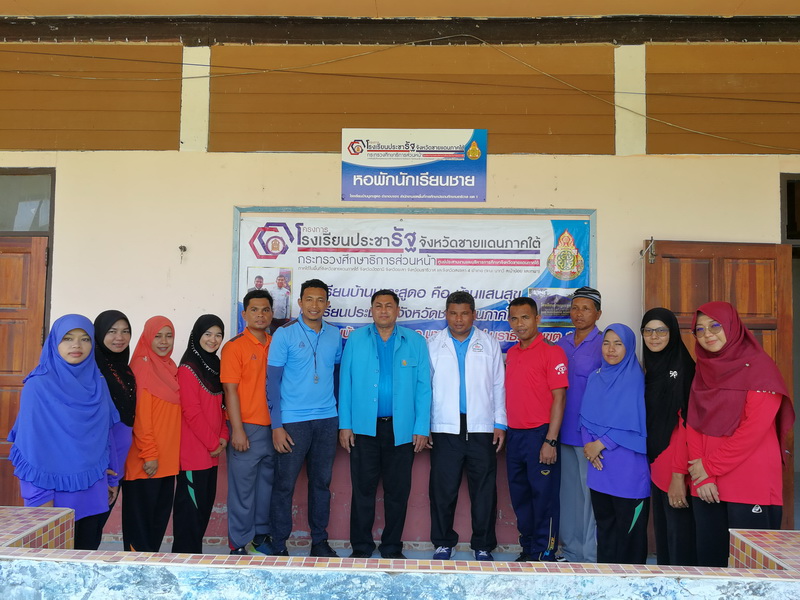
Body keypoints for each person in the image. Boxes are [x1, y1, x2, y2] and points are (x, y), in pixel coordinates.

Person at [686, 301, 794, 567]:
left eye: (715, 325)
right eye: (700, 329)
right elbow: (694, 422)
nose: (707, 334)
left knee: (752, 569)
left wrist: (708, 467)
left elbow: (752, 431)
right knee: (710, 565)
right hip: (707, 485)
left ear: (732, 326)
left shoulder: (760, 368)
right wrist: (704, 476)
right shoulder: (704, 369)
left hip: (749, 484)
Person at [9, 314, 120, 550]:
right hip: (53, 496)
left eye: (85, 339)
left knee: (86, 558)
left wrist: (112, 477)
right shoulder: (38, 386)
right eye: (68, 338)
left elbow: (106, 433)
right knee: (52, 563)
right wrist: (40, 498)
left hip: (94, 488)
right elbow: (31, 447)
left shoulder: (97, 382)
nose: (76, 345)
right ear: (54, 342)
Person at [338, 289, 432, 559]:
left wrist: (421, 427)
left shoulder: (415, 341)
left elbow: (424, 388)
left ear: (398, 310)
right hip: (363, 428)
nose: (383, 310)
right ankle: (361, 547)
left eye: (389, 306)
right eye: (378, 305)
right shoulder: (356, 339)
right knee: (363, 491)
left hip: (401, 430)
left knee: (397, 492)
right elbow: (345, 384)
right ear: (371, 310)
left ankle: (392, 547)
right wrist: (345, 425)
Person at [427, 291, 506, 561]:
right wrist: (425, 425)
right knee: (442, 489)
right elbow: (425, 388)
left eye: (464, 313)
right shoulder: (433, 344)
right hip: (444, 427)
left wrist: (499, 423)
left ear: (474, 314)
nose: (458, 319)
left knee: (484, 490)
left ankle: (483, 545)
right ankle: (442, 542)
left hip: (481, 427)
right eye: (453, 313)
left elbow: (498, 385)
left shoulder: (489, 343)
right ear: (446, 315)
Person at [268, 278, 342, 557]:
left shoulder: (334, 334)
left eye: (320, 300)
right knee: (284, 485)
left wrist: (338, 416)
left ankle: (319, 542)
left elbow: (336, 377)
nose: (314, 305)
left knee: (321, 484)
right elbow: (272, 383)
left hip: (327, 420)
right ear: (299, 302)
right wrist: (277, 426)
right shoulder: (284, 334)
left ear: (327, 303)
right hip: (292, 422)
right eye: (309, 299)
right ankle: (279, 544)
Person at [505, 297, 568, 562]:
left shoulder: (552, 352)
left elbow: (559, 398)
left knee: (544, 498)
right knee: (520, 497)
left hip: (541, 435)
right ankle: (529, 548)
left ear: (537, 319)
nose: (519, 324)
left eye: (525, 317)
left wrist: (550, 441)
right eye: (514, 319)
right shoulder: (512, 353)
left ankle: (545, 552)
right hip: (514, 435)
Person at [580, 324, 650, 564]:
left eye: (618, 344)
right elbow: (584, 418)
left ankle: (631, 581)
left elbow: (634, 423)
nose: (611, 349)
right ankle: (606, 579)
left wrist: (600, 444)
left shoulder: (636, 381)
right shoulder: (595, 377)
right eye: (607, 343)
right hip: (599, 468)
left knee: (630, 535)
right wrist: (589, 448)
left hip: (628, 472)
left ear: (628, 347)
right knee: (605, 530)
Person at [641, 308, 697, 566]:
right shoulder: (652, 368)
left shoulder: (684, 368)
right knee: (665, 534)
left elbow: (686, 424)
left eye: (661, 331)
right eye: (648, 331)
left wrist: (678, 475)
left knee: (679, 537)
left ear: (672, 333)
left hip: (675, 462)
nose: (654, 337)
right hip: (656, 460)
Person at [221, 290, 276, 555]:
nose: (260, 315)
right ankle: (238, 543)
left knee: (266, 488)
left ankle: (260, 538)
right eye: (254, 310)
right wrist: (238, 430)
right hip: (246, 428)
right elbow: (230, 390)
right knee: (242, 491)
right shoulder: (234, 347)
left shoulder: (276, 343)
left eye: (265, 310)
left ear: (272, 314)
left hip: (273, 429)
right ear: (244, 314)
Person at [122, 316, 181, 552]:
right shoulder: (143, 368)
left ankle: (149, 570)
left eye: (169, 336)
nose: (164, 341)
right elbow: (141, 417)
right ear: (147, 337)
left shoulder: (168, 366)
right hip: (147, 462)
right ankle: (136, 571)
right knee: (140, 529)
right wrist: (150, 454)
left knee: (156, 525)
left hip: (166, 462)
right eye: (158, 336)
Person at [172, 314, 229, 554]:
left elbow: (223, 406)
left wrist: (223, 436)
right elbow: (192, 412)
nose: (213, 339)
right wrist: (213, 443)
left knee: (202, 512)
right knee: (190, 517)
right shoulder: (187, 369)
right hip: (194, 455)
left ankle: (193, 560)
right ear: (197, 336)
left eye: (218, 335)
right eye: (207, 334)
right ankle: (183, 562)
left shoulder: (215, 366)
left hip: (212, 454)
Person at [555, 286, 602, 563]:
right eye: (575, 308)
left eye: (585, 308)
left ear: (598, 313)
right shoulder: (561, 344)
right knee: (569, 496)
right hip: (563, 432)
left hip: (590, 436)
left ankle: (590, 555)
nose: (579, 313)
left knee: (590, 497)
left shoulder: (605, 344)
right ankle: (571, 552)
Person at [93, 310, 137, 536]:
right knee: (88, 528)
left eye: (125, 331)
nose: (120, 337)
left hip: (118, 462)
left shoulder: (125, 368)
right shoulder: (92, 369)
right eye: (112, 331)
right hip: (100, 462)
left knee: (97, 527)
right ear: (99, 333)